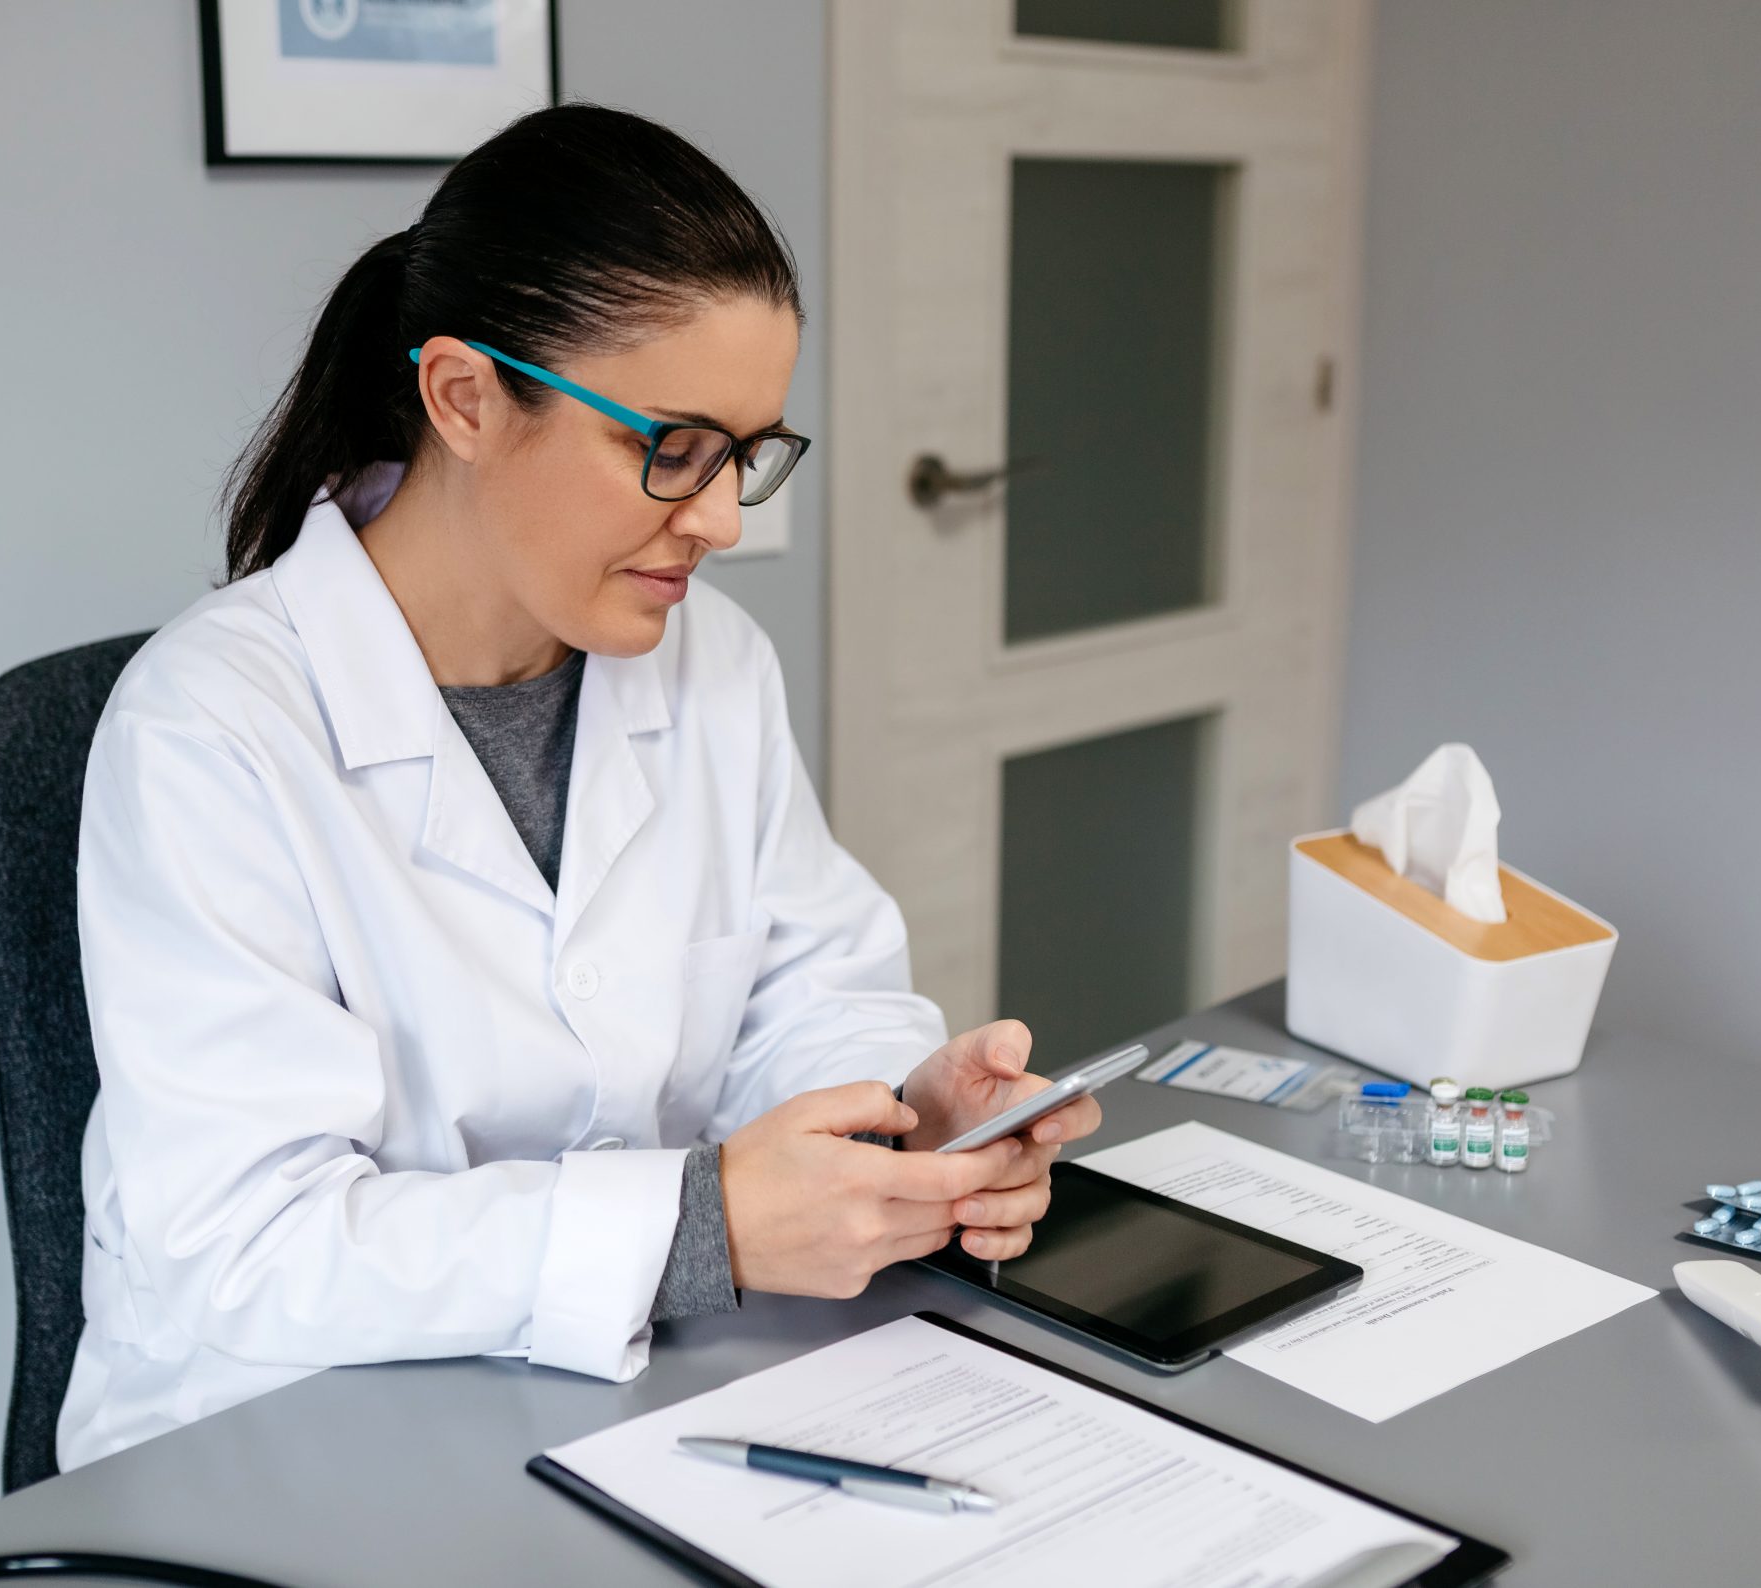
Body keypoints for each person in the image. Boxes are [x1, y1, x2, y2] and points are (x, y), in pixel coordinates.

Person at [57, 104, 1102, 1470]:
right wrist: (700, 1222)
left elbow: (805, 993)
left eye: (746, 452)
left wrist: (907, 1120)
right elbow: (247, 1248)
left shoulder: (710, 663)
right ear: (465, 399)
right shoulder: (213, 727)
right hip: (288, 1440)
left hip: (642, 1398)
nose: (723, 518)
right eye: (669, 447)